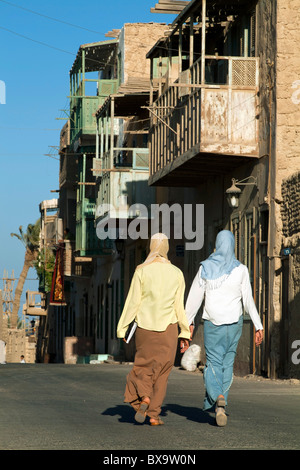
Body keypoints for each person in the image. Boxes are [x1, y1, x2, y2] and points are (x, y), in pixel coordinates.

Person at [185, 230, 263, 426]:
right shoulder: (242, 270)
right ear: (233, 246)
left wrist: (188, 324)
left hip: (213, 324)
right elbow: (248, 301)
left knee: (212, 363)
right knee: (227, 364)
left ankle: (218, 395)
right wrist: (258, 325)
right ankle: (222, 405)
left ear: (217, 245)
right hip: (235, 325)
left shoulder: (206, 268)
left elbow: (194, 299)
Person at [117, 233, 191, 426]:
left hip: (145, 329)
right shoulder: (177, 273)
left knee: (143, 367)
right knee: (162, 373)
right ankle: (154, 415)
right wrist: (184, 332)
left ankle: (145, 397)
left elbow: (133, 302)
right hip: (169, 330)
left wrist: (122, 328)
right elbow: (179, 307)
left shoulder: (141, 271)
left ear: (151, 247)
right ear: (166, 247)